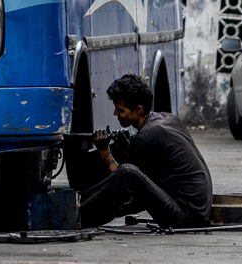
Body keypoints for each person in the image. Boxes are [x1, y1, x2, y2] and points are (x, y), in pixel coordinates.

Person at [79, 74, 213, 229]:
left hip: (184, 216)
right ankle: (78, 207)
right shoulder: (169, 119)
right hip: (199, 211)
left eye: (120, 110)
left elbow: (126, 185)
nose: (116, 114)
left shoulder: (146, 137)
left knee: (127, 173)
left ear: (138, 110)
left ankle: (76, 216)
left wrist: (104, 151)